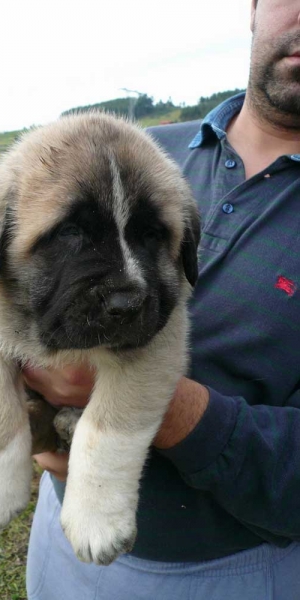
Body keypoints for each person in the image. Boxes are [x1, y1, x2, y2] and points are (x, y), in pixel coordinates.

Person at [24, 0, 300, 597]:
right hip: (60, 532)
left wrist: (162, 406)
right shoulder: (134, 153)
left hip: (229, 570)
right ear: (253, 7)